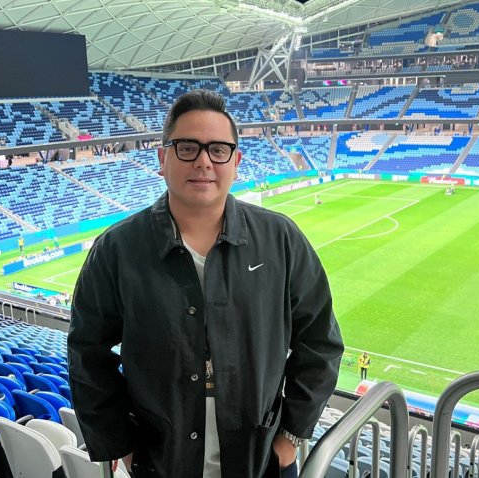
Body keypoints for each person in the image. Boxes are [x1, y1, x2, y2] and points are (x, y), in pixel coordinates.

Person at [68, 89, 344, 478]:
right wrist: (121, 445)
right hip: (161, 459)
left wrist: (290, 436)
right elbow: (87, 352)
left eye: (218, 150)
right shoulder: (118, 249)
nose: (203, 162)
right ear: (163, 158)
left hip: (261, 456)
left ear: (236, 162)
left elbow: (320, 343)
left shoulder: (280, 239)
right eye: (186, 148)